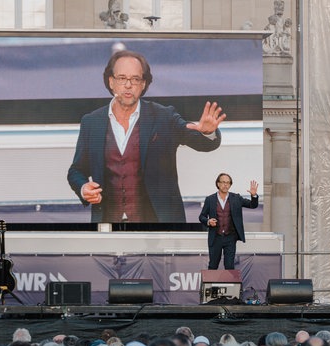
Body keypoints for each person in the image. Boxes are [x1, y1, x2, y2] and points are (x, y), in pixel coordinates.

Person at [68, 49, 226, 223]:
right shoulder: (92, 122)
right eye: (122, 78)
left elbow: (205, 144)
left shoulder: (164, 117)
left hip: (159, 225)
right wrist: (84, 188)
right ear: (111, 82)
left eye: (135, 79)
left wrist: (207, 131)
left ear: (143, 84)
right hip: (108, 224)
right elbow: (76, 170)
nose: (128, 85)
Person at [199, 173, 259, 270]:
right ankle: (212, 286)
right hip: (215, 238)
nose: (225, 185)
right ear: (218, 184)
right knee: (213, 266)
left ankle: (230, 285)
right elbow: (202, 216)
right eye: (223, 182)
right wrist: (208, 221)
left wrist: (254, 195)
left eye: (228, 183)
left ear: (230, 185)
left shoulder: (236, 198)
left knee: (230, 266)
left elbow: (252, 205)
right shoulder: (210, 199)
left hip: (230, 238)